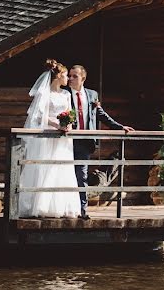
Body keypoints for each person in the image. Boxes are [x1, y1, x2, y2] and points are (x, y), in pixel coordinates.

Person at [67, 65, 134, 219]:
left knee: (81, 176)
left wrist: (120, 127)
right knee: (63, 174)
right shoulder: (64, 94)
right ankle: (63, 208)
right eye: (69, 76)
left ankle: (82, 211)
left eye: (74, 76)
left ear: (83, 78)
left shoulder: (92, 95)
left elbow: (101, 115)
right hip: (66, 142)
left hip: (84, 142)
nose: (70, 79)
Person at [17, 59, 81, 218]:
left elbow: (69, 113)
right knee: (45, 167)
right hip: (47, 136)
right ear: (58, 76)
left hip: (63, 137)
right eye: (66, 75)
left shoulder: (66, 94)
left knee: (61, 168)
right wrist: (57, 124)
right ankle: (40, 206)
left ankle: (59, 206)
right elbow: (39, 116)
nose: (68, 78)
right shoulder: (45, 93)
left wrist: (68, 125)